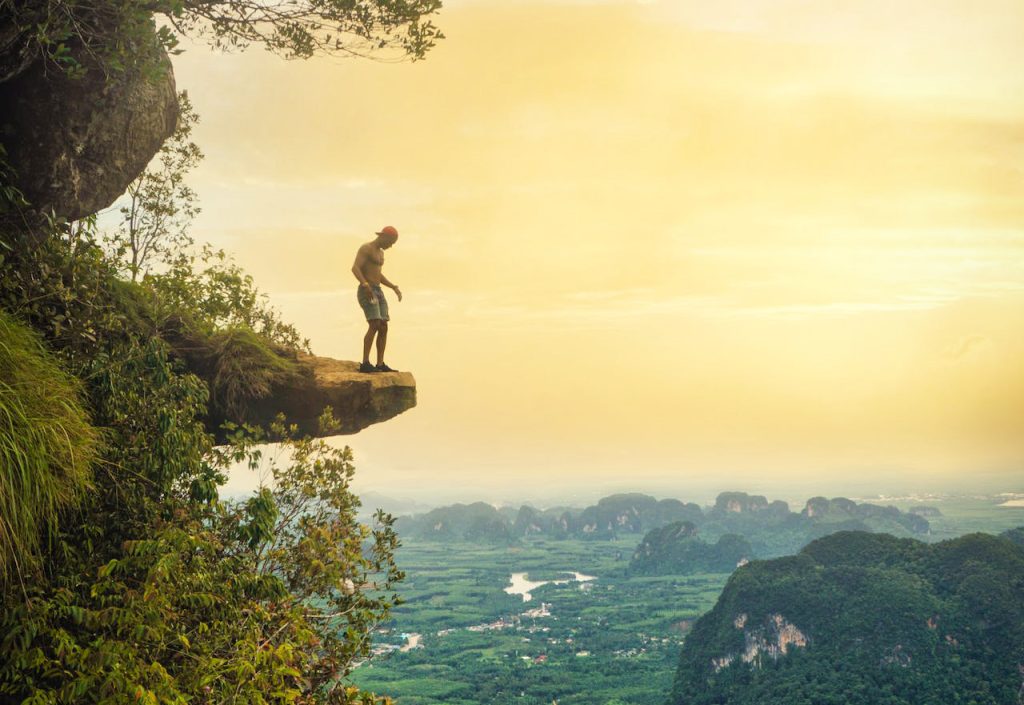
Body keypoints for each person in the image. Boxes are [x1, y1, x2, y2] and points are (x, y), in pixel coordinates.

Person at [352, 225, 403, 373]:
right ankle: (365, 363)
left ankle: (380, 363)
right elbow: (355, 268)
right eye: (391, 242)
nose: (391, 246)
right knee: (374, 323)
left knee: (383, 325)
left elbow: (378, 275)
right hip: (366, 290)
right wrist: (365, 284)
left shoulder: (380, 253)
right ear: (384, 237)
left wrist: (393, 286)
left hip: (378, 290)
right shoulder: (366, 248)